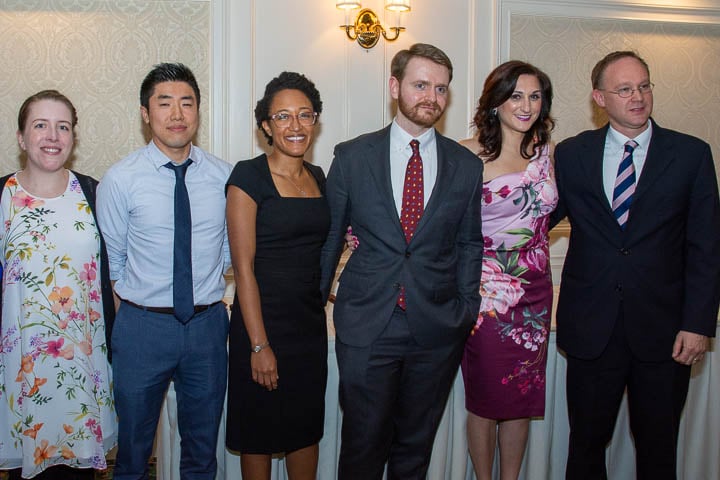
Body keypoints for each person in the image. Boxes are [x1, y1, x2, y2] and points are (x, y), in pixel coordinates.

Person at [552, 50, 720, 479]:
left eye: (644, 86)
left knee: (658, 451)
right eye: (624, 89)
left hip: (666, 334)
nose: (638, 97)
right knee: (585, 448)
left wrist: (698, 324)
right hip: (592, 328)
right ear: (599, 98)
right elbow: (536, 219)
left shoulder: (691, 154)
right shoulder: (571, 154)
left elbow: (706, 246)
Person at [320, 43, 485, 480]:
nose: (431, 96)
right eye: (421, 85)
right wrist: (314, 306)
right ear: (395, 87)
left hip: (437, 327)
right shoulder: (352, 156)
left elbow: (470, 243)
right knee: (363, 445)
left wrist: (465, 310)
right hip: (368, 324)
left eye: (441, 88)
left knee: (415, 448)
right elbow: (330, 238)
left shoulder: (466, 166)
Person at [96, 63, 232, 480]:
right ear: (145, 113)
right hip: (142, 328)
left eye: (187, 103)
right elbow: (114, 262)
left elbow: (229, 253)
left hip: (207, 327)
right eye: (164, 103)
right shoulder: (120, 179)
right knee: (133, 454)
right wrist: (131, 323)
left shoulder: (224, 177)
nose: (177, 114)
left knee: (202, 453)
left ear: (198, 111)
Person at [0, 90, 117, 478]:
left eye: (62, 127)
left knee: (79, 468)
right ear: (21, 137)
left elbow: (113, 275)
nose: (52, 136)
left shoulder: (94, 193)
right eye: (41, 125)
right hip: (21, 369)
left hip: (81, 368)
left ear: (73, 138)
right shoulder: (2, 197)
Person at [225, 71, 329, 480]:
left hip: (308, 328)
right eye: (283, 116)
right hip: (261, 326)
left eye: (305, 114)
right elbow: (244, 268)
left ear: (315, 120)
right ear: (266, 126)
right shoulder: (248, 177)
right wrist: (258, 345)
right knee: (259, 434)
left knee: (306, 429)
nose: (295, 125)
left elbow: (320, 249)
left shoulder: (318, 177)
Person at [459, 61, 557, 480]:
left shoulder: (548, 154)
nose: (526, 106)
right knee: (484, 399)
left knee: (522, 396)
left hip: (535, 293)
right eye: (516, 96)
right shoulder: (466, 154)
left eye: (535, 96)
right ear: (495, 102)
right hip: (487, 296)